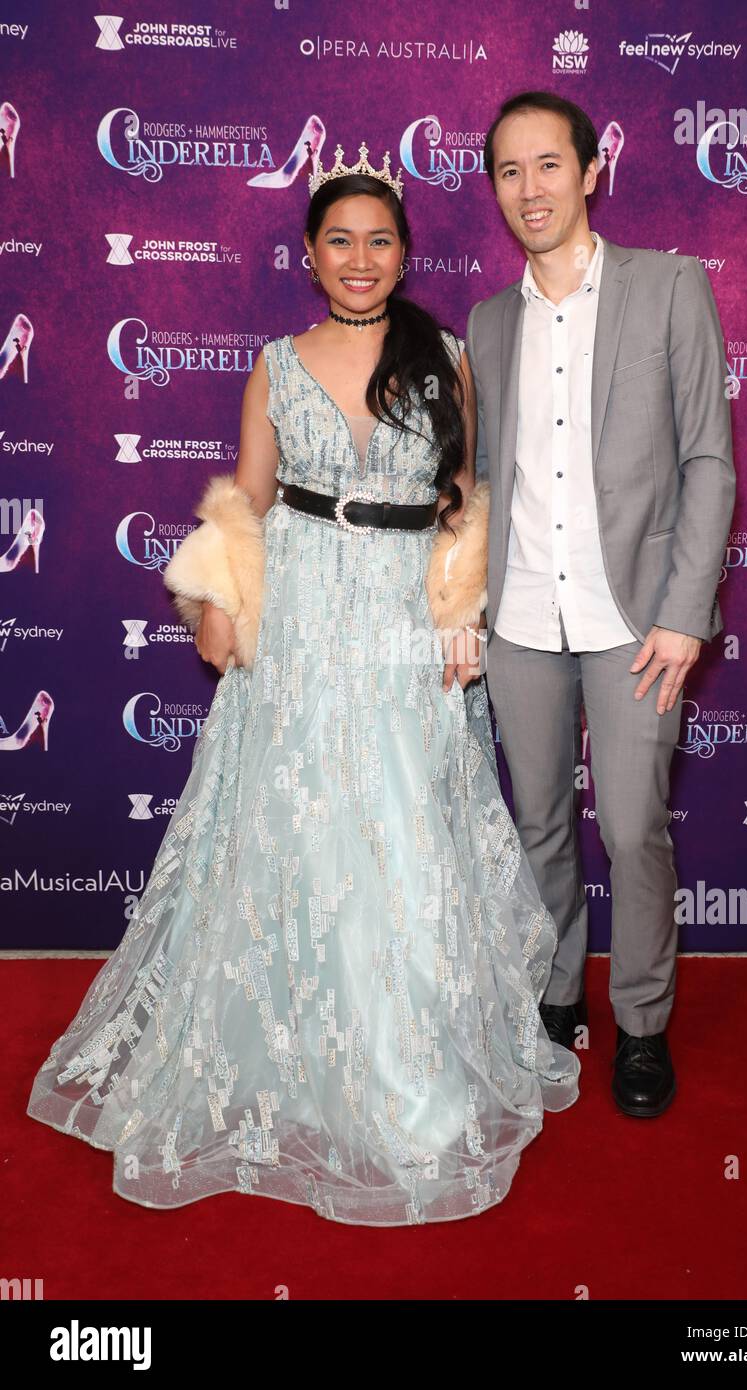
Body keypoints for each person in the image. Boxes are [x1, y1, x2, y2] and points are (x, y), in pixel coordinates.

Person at [25, 139, 579, 1225]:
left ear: (404, 252)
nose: (360, 258)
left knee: (404, 822)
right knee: (295, 825)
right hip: (305, 608)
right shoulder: (277, 362)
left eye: (379, 239)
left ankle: (410, 1073)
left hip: (400, 614)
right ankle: (279, 1058)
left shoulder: (445, 355)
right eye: (340, 240)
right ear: (309, 254)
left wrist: (460, 609)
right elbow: (247, 496)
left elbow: (462, 496)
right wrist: (223, 597)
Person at [467, 92, 736, 1117]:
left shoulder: (671, 288)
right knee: (537, 825)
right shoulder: (488, 323)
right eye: (506, 170)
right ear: (493, 189)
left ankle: (638, 1023)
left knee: (628, 828)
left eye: (546, 165)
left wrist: (683, 611)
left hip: (637, 622)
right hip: (521, 618)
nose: (528, 188)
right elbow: (481, 480)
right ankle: (551, 997)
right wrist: (468, 602)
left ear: (589, 171)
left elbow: (706, 461)